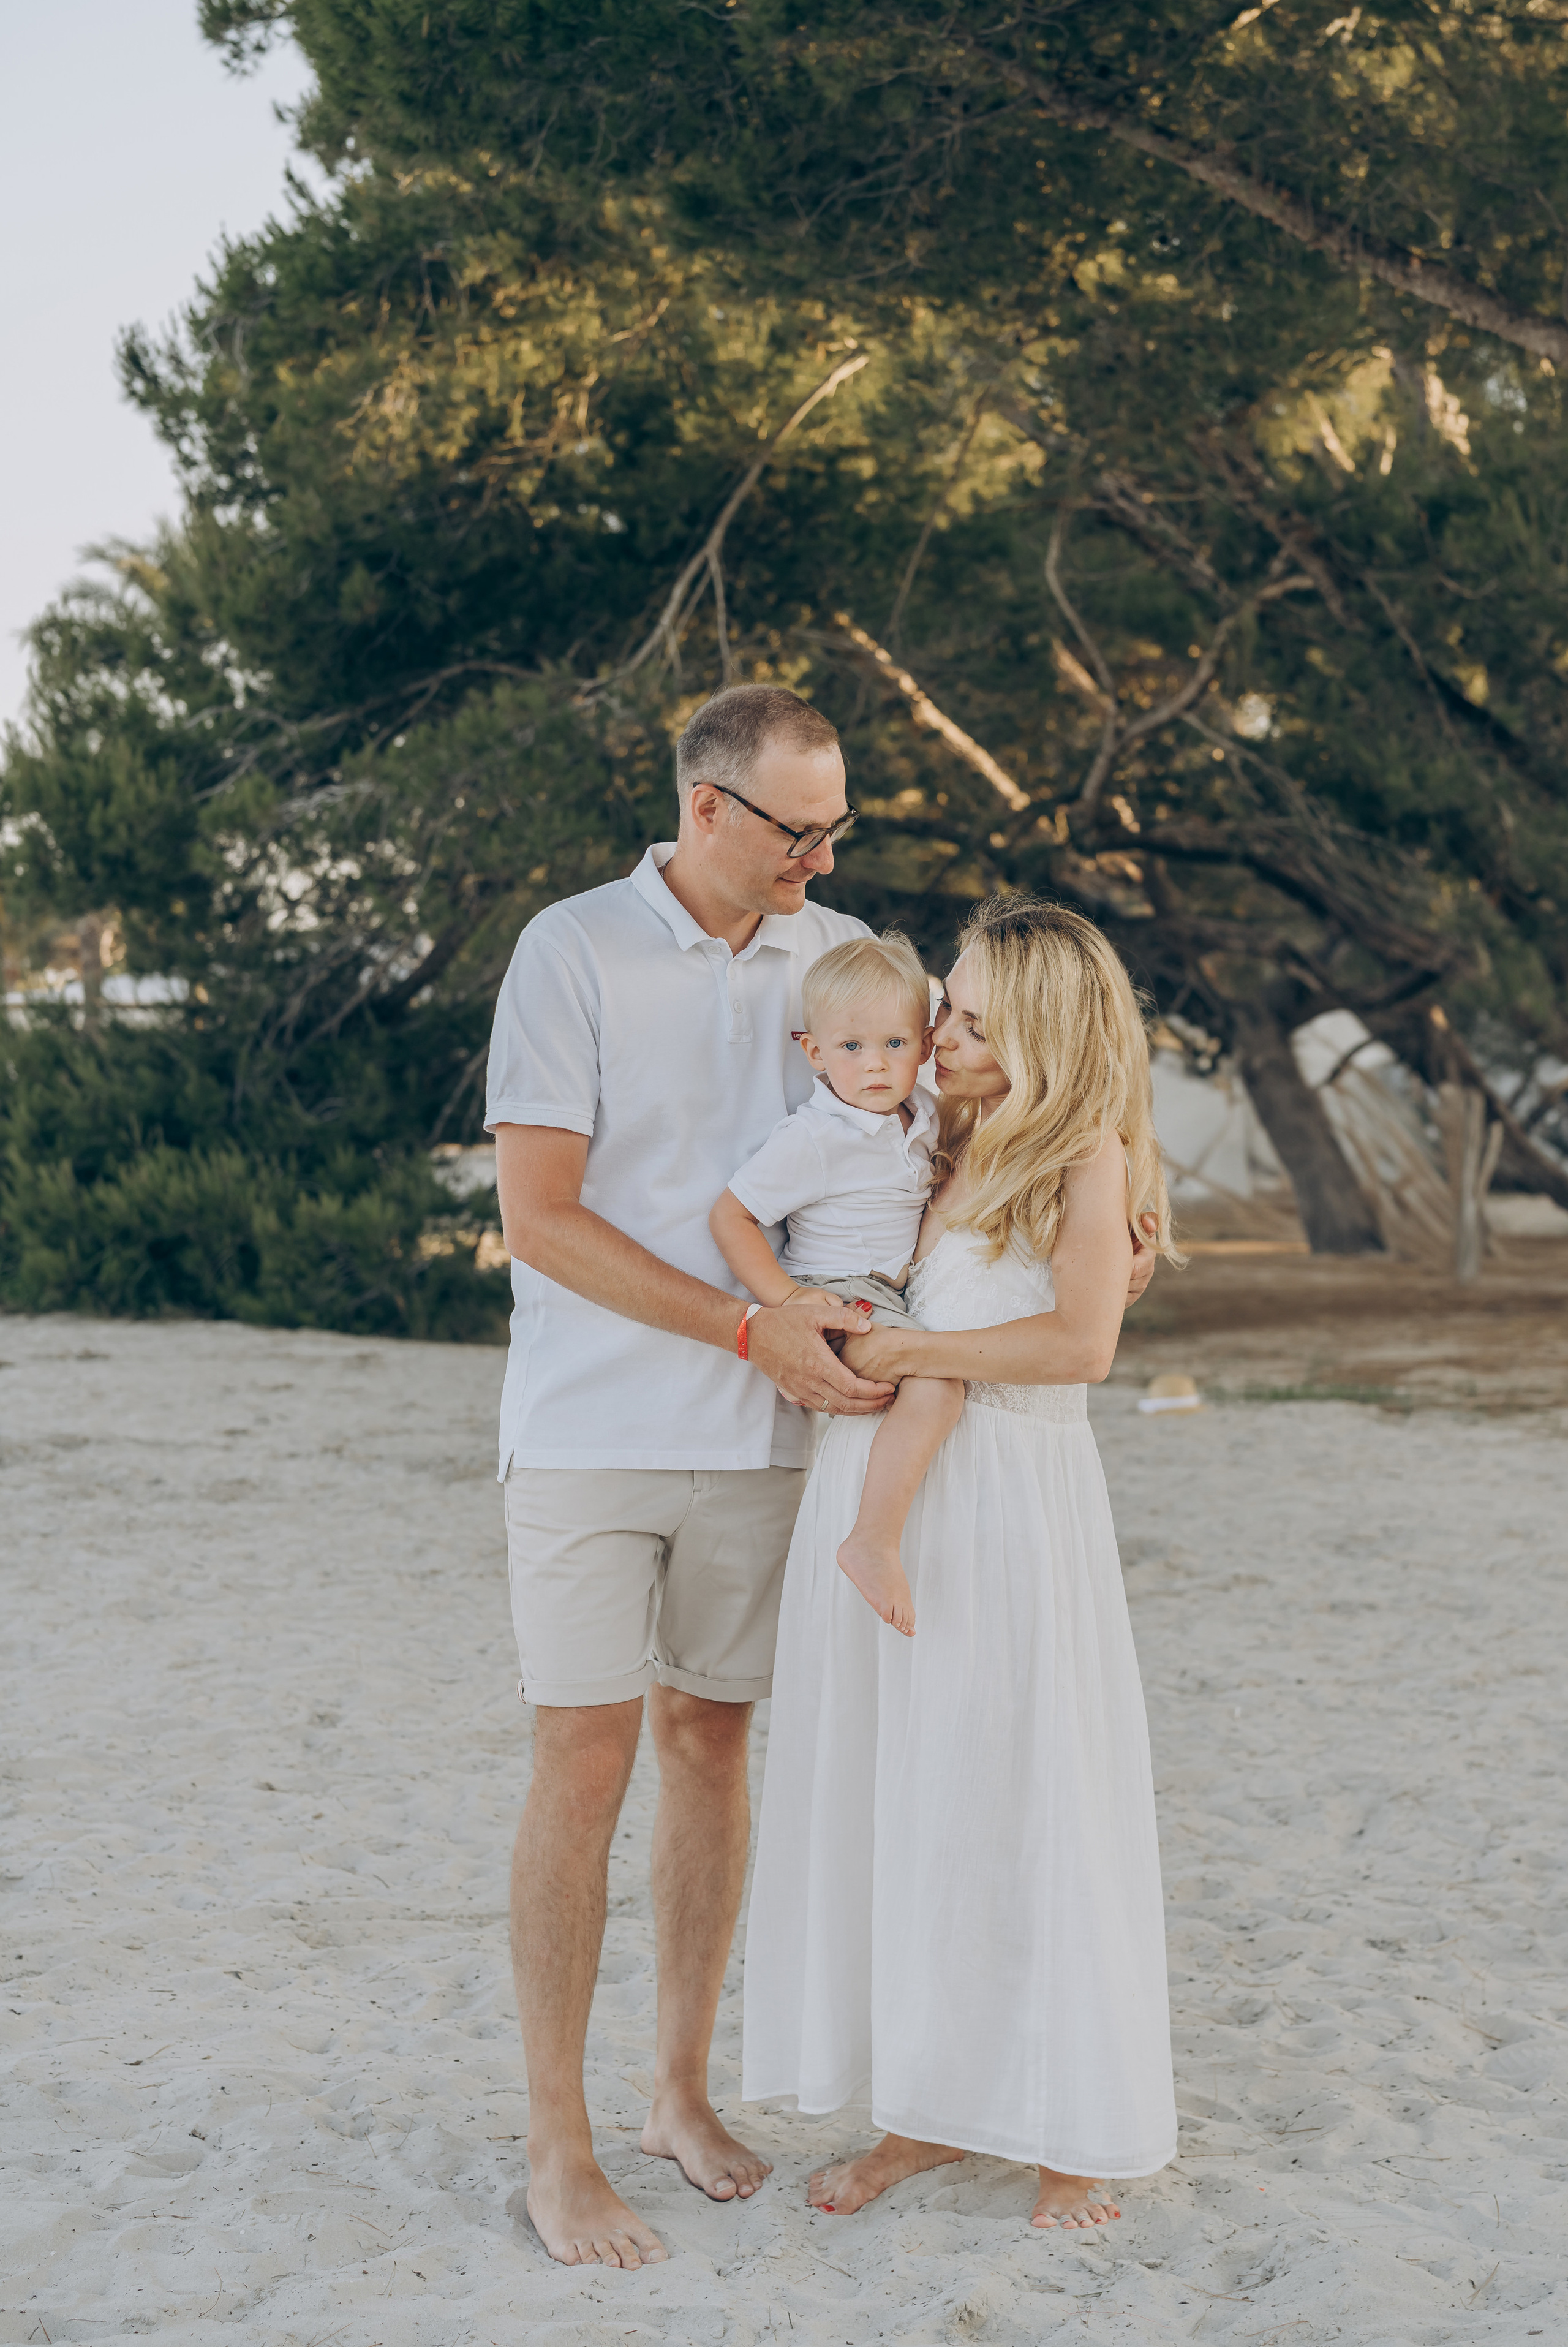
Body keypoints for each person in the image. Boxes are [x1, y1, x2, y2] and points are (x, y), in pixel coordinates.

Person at [486, 686, 1157, 2272]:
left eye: (837, 824)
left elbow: (1004, 1113)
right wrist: (750, 1315)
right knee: (583, 1761)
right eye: (802, 826)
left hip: (788, 1436)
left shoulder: (851, 960)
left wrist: (1118, 1202)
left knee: (716, 1745)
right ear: (708, 808)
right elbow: (542, 1216)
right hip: (598, 1422)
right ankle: (559, 2145)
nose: (829, 851)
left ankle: (678, 2096)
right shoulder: (569, 951)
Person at [742, 896, 1181, 2232]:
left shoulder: (1081, 1157)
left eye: (977, 1021)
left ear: (1046, 1035)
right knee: (918, 1805)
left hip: (1007, 1512)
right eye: (947, 1003)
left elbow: (1078, 1347)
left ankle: (1072, 2129)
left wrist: (906, 1351)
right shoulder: (927, 1145)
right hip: (894, 1503)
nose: (940, 1034)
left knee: (1030, 1799)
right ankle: (924, 2112)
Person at [710, 931, 964, 1638]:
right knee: (940, 1384)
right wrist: (784, 1301)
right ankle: (872, 1542)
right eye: (850, 1048)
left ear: (924, 1043)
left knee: (939, 1384)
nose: (875, 1065)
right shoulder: (814, 1138)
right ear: (813, 1051)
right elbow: (731, 1214)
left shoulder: (927, 1116)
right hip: (838, 1291)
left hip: (895, 1290)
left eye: (893, 1044)